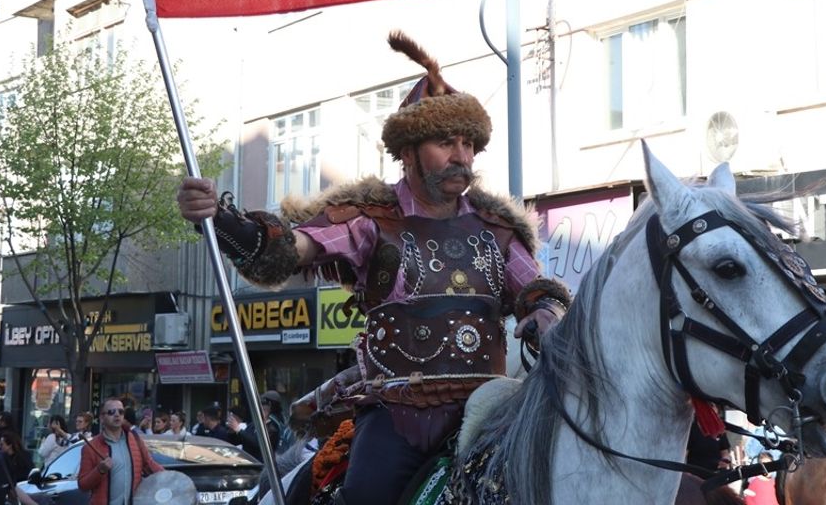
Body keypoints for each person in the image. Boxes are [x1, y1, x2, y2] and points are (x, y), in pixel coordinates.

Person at [178, 31, 570, 505]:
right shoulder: (370, 218)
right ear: (408, 151)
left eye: (468, 144)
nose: (461, 156)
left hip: (490, 411)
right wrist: (220, 219)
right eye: (445, 142)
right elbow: (290, 249)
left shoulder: (498, 228)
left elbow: (537, 287)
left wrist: (546, 310)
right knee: (365, 495)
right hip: (397, 413)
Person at [77, 398, 163, 505]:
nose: (117, 415)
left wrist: (172, 479)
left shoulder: (135, 439)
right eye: (111, 412)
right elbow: (82, 485)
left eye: (121, 412)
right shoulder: (90, 447)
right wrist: (100, 470)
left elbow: (150, 465)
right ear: (102, 418)